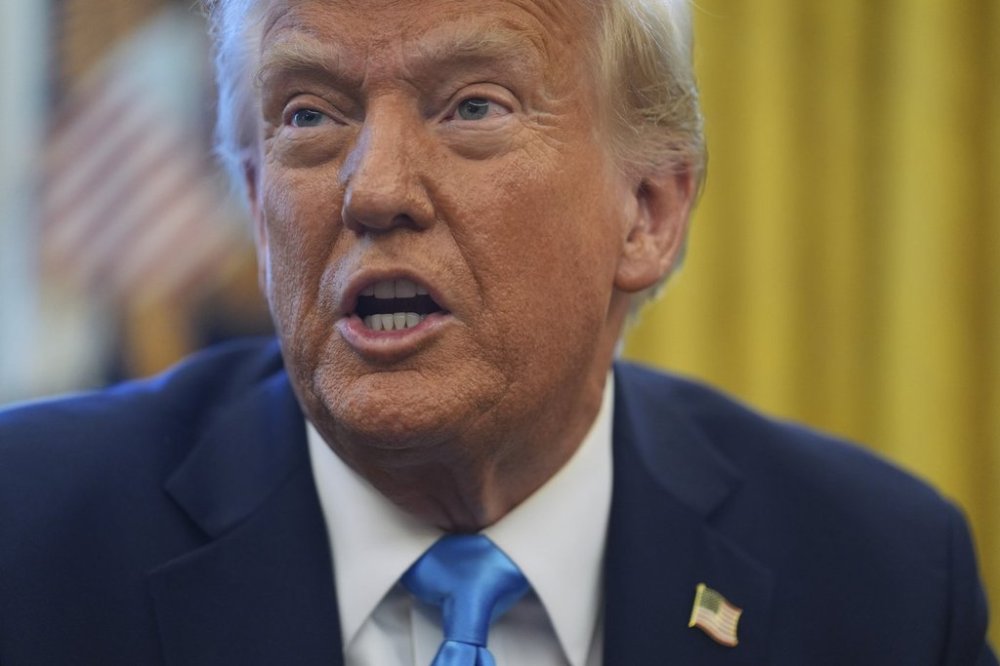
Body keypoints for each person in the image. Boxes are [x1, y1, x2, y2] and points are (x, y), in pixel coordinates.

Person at [0, 0, 994, 664]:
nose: (377, 188)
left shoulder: (882, 581)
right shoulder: (29, 545)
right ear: (257, 202)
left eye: (473, 105)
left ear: (646, 211)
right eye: (308, 116)